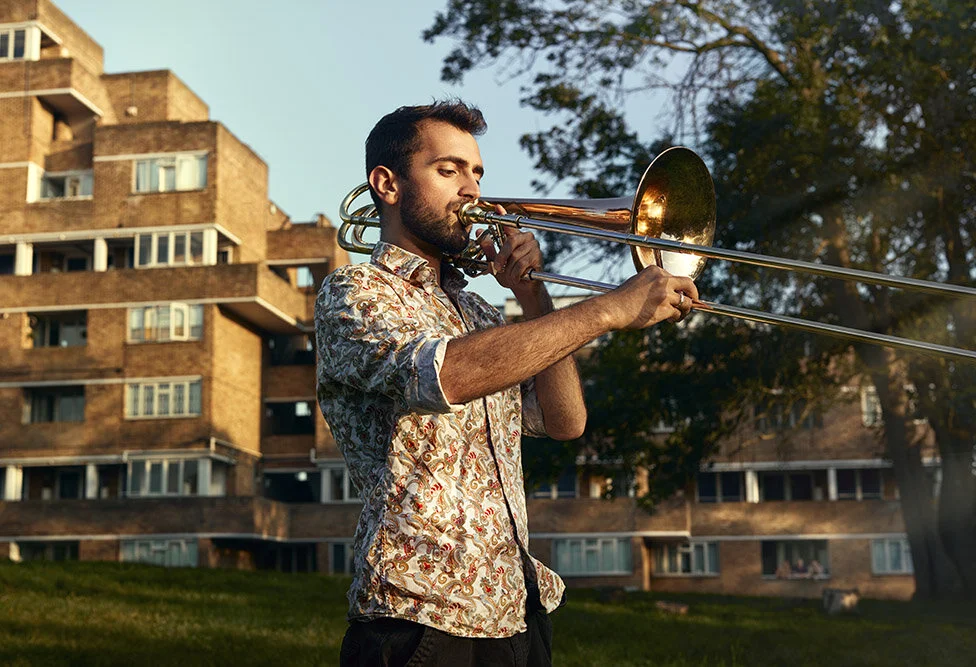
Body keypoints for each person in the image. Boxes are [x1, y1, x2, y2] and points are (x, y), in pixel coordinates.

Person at [315, 100, 698, 667]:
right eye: (449, 171)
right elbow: (444, 373)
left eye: (477, 173)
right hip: (419, 614)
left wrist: (534, 296)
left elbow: (566, 422)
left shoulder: (480, 314)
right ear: (387, 185)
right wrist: (606, 311)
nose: (472, 191)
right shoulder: (356, 292)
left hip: (515, 614)